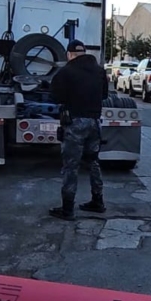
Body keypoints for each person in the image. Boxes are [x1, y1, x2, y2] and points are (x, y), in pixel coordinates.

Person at [49, 39, 109, 220]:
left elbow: (56, 97)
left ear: (69, 54)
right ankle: (97, 201)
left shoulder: (66, 72)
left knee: (71, 166)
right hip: (94, 123)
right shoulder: (100, 71)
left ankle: (67, 209)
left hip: (75, 123)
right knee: (93, 163)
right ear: (84, 52)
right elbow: (105, 95)